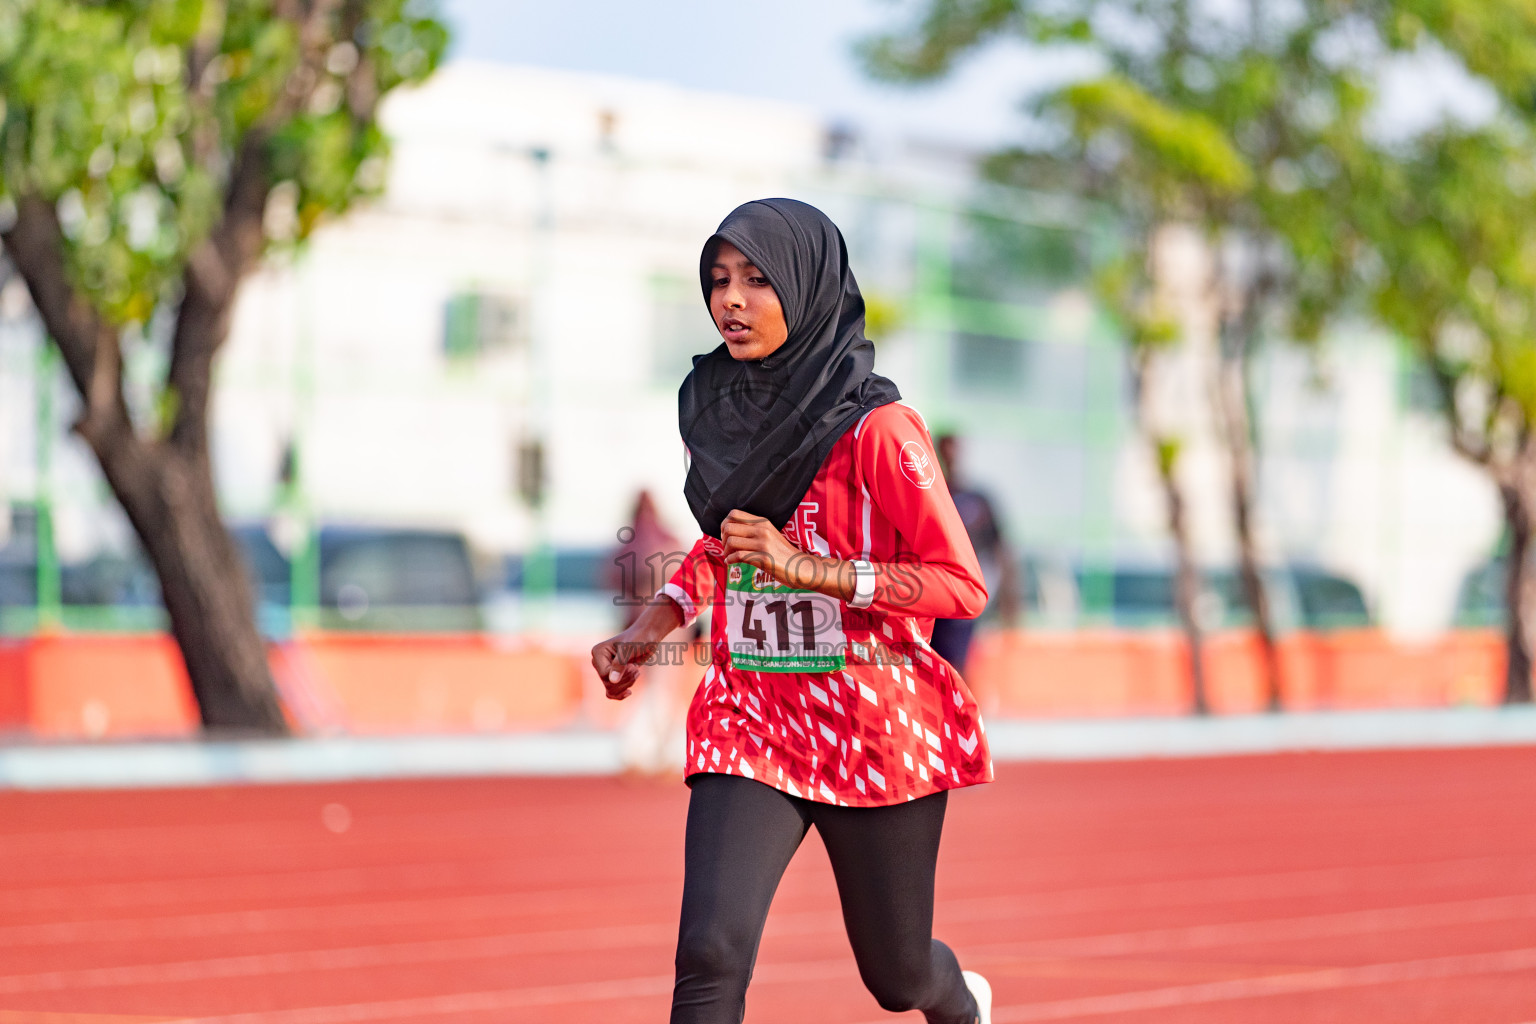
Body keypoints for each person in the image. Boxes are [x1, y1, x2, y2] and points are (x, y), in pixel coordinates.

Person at [591, 199, 994, 1024]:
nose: (730, 301)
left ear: (809, 289)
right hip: (752, 717)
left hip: (871, 726)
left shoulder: (882, 430)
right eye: (718, 280)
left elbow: (960, 583)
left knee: (898, 975)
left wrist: (809, 568)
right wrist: (647, 632)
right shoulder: (724, 414)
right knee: (708, 953)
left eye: (757, 280)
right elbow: (721, 544)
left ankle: (961, 1004)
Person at [930, 434, 1020, 676]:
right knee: (937, 655)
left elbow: (1000, 546)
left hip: (966, 584)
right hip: (934, 583)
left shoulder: (978, 499)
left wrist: (1009, 595)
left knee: (957, 657)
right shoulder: (930, 494)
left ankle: (960, 708)